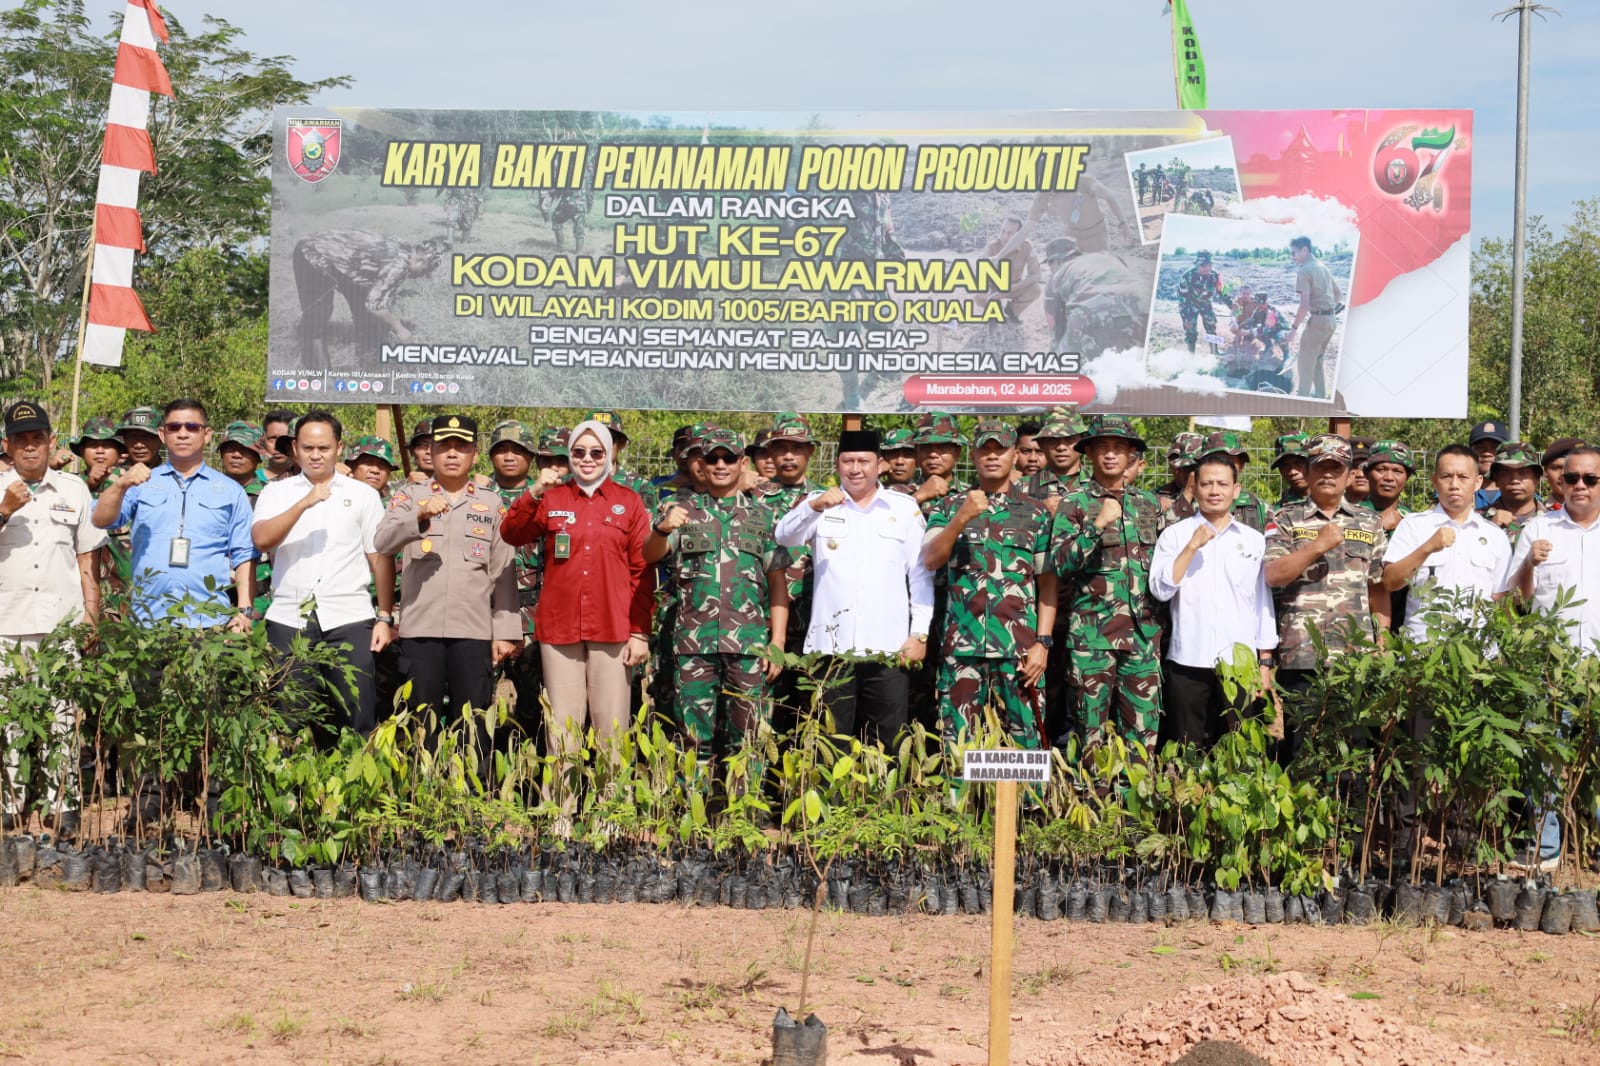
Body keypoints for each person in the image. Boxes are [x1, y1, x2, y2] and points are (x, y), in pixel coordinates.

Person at [374, 416, 522, 767]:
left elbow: (503, 571)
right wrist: (419, 516)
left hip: (473, 632)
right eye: (443, 447)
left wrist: (504, 631)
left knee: (472, 726)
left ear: (474, 454)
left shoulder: (492, 503)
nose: (452, 455)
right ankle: (421, 803)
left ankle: (469, 806)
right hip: (420, 631)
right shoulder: (410, 496)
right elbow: (382, 542)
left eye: (461, 448)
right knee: (419, 724)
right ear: (432, 452)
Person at [501, 418, 653, 758]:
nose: (587, 459)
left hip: (612, 627)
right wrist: (534, 492)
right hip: (560, 628)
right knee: (562, 731)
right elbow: (512, 533)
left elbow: (642, 570)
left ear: (610, 456)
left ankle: (612, 810)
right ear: (569, 456)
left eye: (596, 452)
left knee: (612, 731)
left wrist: (640, 632)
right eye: (579, 452)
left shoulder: (629, 502)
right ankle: (562, 810)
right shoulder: (553, 498)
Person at [775, 429, 932, 745]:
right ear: (837, 464)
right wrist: (813, 506)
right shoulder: (820, 503)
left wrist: (920, 634)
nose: (855, 468)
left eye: (864, 461)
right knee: (829, 744)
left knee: (887, 744)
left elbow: (920, 576)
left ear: (880, 465)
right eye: (848, 461)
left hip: (888, 648)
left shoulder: (903, 509)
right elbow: (783, 536)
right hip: (831, 649)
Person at [646, 427, 789, 765]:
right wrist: (661, 528)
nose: (721, 464)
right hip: (694, 644)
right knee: (693, 737)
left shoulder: (763, 516)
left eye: (729, 458)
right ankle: (693, 811)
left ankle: (743, 813)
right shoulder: (679, 511)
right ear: (702, 463)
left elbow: (777, 583)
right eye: (713, 458)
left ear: (742, 462)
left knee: (750, 736)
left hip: (749, 644)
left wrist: (778, 641)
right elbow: (649, 555)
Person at [252, 412, 393, 738]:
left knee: (355, 716)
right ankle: (290, 786)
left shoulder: (364, 495)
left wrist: (384, 616)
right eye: (308, 447)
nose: (316, 455)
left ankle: (352, 786)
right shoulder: (277, 493)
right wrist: (303, 503)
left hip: (350, 618)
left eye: (324, 448)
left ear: (339, 448)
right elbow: (262, 539)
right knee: (287, 716)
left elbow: (380, 557)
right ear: (296, 450)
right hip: (290, 618)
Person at [0, 401, 105, 836]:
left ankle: (64, 803)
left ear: (51, 443)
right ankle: (12, 800)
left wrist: (92, 615)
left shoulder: (73, 489)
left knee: (63, 715)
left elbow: (87, 558)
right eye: (20, 440)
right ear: (7, 445)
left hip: (62, 622)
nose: (30, 447)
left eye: (37, 439)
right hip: (7, 622)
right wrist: (4, 509)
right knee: (8, 717)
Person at [922, 420, 1055, 749]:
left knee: (1027, 746)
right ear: (973, 455)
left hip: (1021, 652)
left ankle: (1027, 804)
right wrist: (961, 518)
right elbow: (930, 559)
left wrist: (1043, 643)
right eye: (985, 449)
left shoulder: (1036, 514)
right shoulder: (948, 508)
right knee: (959, 746)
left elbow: (1047, 583)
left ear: (1014, 455)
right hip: (962, 648)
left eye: (1001, 450)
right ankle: (961, 803)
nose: (992, 457)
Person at [1263, 434, 1390, 759]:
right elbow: (1273, 574)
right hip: (1302, 656)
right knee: (1301, 754)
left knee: (1354, 754)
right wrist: (1317, 546)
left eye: (1337, 467)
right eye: (1321, 467)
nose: (1329, 475)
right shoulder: (1285, 519)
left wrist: (1381, 645)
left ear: (1349, 474)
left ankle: (1350, 812)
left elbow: (1378, 588)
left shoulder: (1369, 522)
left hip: (1354, 659)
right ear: (1307, 472)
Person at [1503, 445, 1600, 870]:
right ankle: (1545, 850)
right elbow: (1516, 600)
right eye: (1571, 477)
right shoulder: (1540, 528)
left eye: (1589, 479)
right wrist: (1528, 562)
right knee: (1542, 755)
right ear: (1559, 481)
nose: (1578, 485)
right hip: (1550, 665)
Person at [1052, 416, 1170, 747]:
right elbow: (1060, 565)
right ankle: (1090, 798)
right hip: (1093, 637)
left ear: (1131, 454)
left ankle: (1135, 798)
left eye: (1118, 448)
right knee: (1088, 733)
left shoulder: (1147, 503)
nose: (1110, 455)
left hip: (1143, 636)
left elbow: (1163, 565)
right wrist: (1098, 524)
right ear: (1088, 453)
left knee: (1142, 734)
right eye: (1102, 447)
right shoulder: (1074, 503)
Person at [91, 399, 256, 628]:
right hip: (149, 620)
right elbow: (100, 520)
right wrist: (120, 485)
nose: (183, 434)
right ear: (162, 434)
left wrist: (244, 611)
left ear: (207, 434)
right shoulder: (139, 483)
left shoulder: (231, 491)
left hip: (208, 622)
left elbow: (244, 554)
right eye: (174, 427)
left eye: (192, 427)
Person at [1151, 454, 1277, 749]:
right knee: (1187, 750)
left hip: (1240, 664)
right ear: (1194, 487)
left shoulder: (1253, 540)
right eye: (1206, 484)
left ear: (1236, 490)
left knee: (1240, 749)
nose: (1214, 490)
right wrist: (1192, 546)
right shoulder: (1175, 535)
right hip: (1188, 660)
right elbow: (1161, 590)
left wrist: (1265, 663)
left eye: (1222, 483)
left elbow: (1262, 603)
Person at [291, 229, 448, 369]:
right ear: (420, 260)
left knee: (363, 308)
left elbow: (377, 294)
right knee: (318, 314)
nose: (422, 276)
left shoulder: (406, 249)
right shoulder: (399, 265)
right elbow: (376, 305)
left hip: (344, 261)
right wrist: (400, 329)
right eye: (425, 271)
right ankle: (319, 376)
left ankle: (369, 360)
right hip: (311, 252)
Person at [755, 412, 824, 732]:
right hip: (764, 627)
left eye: (796, 448)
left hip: (815, 628)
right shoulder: (752, 499)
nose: (788, 455)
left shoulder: (827, 500)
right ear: (769, 453)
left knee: (814, 720)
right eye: (781, 448)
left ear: (810, 451)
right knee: (765, 720)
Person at [488, 420, 552, 743]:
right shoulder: (480, 496)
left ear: (532, 456)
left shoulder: (547, 497)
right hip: (486, 615)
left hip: (535, 616)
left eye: (518, 450)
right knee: (479, 706)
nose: (509, 456)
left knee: (535, 706)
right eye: (501, 449)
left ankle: (532, 779)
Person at [1040, 238, 1147, 359]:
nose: (1050, 267)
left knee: (1065, 365)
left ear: (1057, 261)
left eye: (1049, 263)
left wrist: (1054, 358)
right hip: (1142, 311)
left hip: (1091, 318)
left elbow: (1055, 327)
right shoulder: (1108, 257)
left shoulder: (1057, 275)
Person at [995, 174, 1135, 258]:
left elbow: (1110, 197)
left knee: (1099, 276)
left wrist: (1124, 224)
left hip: (1097, 236)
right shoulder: (1043, 197)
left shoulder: (1083, 182)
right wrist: (999, 256)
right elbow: (1024, 231)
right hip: (1072, 238)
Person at [1171, 432, 1270, 531]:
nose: (1223, 465)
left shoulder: (1256, 507)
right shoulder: (1186, 503)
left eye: (1229, 460)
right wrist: (1187, 496)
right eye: (1217, 459)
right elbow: (1169, 534)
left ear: (1241, 465)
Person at [1288, 236, 1343, 398]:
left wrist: (1293, 329)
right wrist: (1328, 310)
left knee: (1305, 366)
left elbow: (1304, 306)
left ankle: (1301, 403)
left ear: (1304, 250)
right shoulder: (1322, 267)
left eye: (1294, 253)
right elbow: (1338, 294)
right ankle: (1321, 397)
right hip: (1331, 322)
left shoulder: (1304, 270)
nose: (1292, 257)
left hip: (1318, 322)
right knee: (1317, 363)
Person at [580, 409, 657, 508]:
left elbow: (646, 522)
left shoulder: (638, 486)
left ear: (621, 443)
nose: (600, 445)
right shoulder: (568, 484)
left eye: (608, 438)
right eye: (593, 438)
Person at [977, 216, 1042, 322]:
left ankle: (1012, 312)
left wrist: (1016, 286)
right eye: (1003, 231)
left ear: (1019, 236)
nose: (1005, 236)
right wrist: (986, 291)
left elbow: (1037, 275)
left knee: (1036, 290)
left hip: (1015, 286)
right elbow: (982, 273)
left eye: (1010, 233)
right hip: (995, 289)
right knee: (977, 294)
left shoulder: (1026, 246)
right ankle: (994, 309)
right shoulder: (992, 246)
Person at [1024, 406, 1090, 503]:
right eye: (1053, 439)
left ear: (1082, 442)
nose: (1061, 447)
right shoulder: (1021, 489)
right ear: (1041, 444)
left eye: (1070, 438)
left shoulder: (1101, 486)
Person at [1481, 441, 1543, 538]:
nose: (1515, 480)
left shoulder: (1554, 520)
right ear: (1496, 479)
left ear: (1537, 478)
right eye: (1505, 473)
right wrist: (1489, 529)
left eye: (1523, 472)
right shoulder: (1477, 521)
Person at [1177, 251, 1231, 354]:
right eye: (1203, 266)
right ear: (1197, 265)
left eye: (1209, 265)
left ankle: (1214, 352)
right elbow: (1182, 300)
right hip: (1190, 307)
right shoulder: (1187, 277)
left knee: (1211, 328)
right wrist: (1185, 318)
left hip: (1206, 304)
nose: (1207, 268)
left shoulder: (1214, 276)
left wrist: (1231, 305)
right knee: (1190, 331)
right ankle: (1191, 356)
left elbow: (1222, 292)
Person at [1362, 440, 1414, 533]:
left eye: (1397, 471)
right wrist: (1378, 526)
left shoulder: (1412, 521)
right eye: (1381, 470)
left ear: (1407, 477)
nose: (1389, 478)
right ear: (1366, 473)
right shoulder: (1348, 515)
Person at [71, 417, 127, 497]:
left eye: (107, 445)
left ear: (120, 451)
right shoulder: (71, 481)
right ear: (81, 451)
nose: (100, 451)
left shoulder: (130, 480)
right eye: (92, 445)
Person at [217, 422, 269, 497]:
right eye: (230, 448)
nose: (236, 455)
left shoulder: (270, 494)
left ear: (259, 457)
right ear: (221, 453)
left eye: (245, 449)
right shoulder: (207, 489)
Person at [1156, 432, 1202, 515]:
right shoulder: (1159, 496)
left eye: (1191, 467)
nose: (1175, 466)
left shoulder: (1214, 494)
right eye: (1172, 458)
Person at [1469, 421, 1510, 510]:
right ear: (1470, 452)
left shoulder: (1521, 492)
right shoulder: (1458, 490)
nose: (1487, 453)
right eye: (1480, 447)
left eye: (1495, 447)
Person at [1542, 437, 1586, 511]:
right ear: (1545, 472)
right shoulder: (1535, 515)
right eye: (1556, 468)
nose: (1563, 474)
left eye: (1571, 467)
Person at [1271, 433, 1310, 506]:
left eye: (1299, 463)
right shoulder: (1276, 513)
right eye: (1285, 465)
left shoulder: (1333, 504)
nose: (1292, 472)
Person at [880, 428, 919, 493]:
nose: (899, 462)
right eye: (893, 454)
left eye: (908, 455)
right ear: (883, 458)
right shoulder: (872, 491)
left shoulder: (928, 491)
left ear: (917, 460)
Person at [262, 411, 296, 480]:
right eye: (272, 438)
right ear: (263, 441)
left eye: (284, 439)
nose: (277, 446)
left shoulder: (309, 480)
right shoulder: (248, 480)